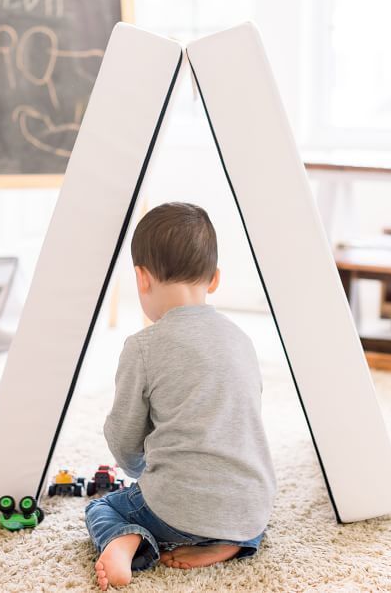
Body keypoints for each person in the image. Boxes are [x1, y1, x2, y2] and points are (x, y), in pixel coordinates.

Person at [84, 202, 276, 590]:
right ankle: (230, 542)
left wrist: (140, 473)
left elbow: (123, 442)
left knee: (103, 507)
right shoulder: (242, 340)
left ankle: (126, 542)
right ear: (215, 279)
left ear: (142, 278)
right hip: (250, 506)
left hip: (176, 510)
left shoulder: (143, 347)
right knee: (244, 506)